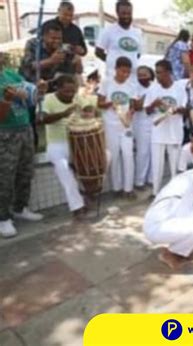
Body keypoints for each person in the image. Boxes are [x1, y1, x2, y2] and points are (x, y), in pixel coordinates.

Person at [0, 53, 44, 238]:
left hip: (24, 128)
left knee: (25, 170)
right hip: (5, 133)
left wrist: (39, 90)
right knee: (5, 176)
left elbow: (31, 98)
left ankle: (20, 208)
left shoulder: (12, 75)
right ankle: (3, 218)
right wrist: (8, 99)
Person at [39, 75, 93, 218]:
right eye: (66, 92)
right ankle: (77, 207)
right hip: (56, 145)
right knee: (63, 169)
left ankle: (88, 193)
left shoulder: (76, 97)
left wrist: (88, 111)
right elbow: (41, 119)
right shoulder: (48, 99)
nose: (70, 95)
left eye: (73, 91)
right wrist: (64, 113)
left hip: (76, 143)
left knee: (103, 158)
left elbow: (89, 107)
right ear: (57, 88)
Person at [98, 57, 138, 199]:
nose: (125, 75)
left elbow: (133, 104)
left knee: (128, 156)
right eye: (123, 71)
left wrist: (132, 111)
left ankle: (129, 188)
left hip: (126, 125)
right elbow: (99, 103)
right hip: (111, 125)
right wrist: (110, 104)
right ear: (116, 69)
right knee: (114, 157)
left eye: (128, 72)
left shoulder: (131, 85)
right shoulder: (106, 82)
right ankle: (117, 187)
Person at [145, 60, 185, 196]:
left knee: (174, 166)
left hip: (174, 133)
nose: (157, 76)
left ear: (168, 73)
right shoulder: (153, 89)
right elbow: (147, 111)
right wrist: (153, 105)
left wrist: (176, 109)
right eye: (156, 72)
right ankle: (156, 193)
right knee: (157, 165)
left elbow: (185, 109)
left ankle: (174, 193)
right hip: (158, 133)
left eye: (160, 73)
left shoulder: (179, 88)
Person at [19, 22, 81, 91]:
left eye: (59, 38)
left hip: (50, 85)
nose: (57, 41)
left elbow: (77, 71)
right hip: (30, 85)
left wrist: (78, 62)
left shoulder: (63, 48)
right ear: (44, 36)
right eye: (53, 38)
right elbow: (29, 65)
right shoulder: (33, 44)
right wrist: (50, 61)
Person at [95, 0, 142, 79]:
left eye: (129, 13)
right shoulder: (108, 30)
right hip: (113, 77)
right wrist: (112, 62)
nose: (126, 16)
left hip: (132, 78)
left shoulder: (137, 32)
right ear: (117, 13)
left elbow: (138, 54)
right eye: (123, 13)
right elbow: (98, 52)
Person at [42, 1, 87, 75]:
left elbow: (84, 50)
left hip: (70, 69)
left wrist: (80, 50)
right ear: (59, 11)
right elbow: (42, 45)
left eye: (71, 15)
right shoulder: (48, 25)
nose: (68, 18)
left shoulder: (76, 30)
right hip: (50, 69)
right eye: (65, 15)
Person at [133, 66, 155, 189]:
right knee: (142, 152)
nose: (142, 77)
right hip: (140, 123)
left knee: (154, 152)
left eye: (145, 74)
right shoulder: (135, 87)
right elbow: (136, 106)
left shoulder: (155, 86)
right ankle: (139, 181)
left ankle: (151, 179)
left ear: (151, 74)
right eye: (139, 75)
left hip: (154, 122)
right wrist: (148, 96)